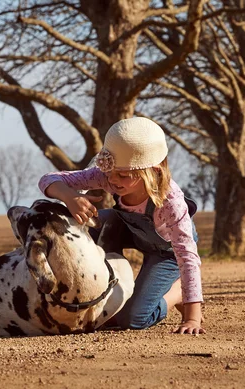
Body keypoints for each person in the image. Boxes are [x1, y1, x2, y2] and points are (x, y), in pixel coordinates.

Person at [38, 117, 205, 335]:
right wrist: (69, 196)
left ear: (153, 171)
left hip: (167, 251)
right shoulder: (107, 177)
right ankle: (105, 287)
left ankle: (176, 294)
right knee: (91, 221)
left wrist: (193, 317)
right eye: (109, 171)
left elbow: (187, 257)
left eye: (123, 175)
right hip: (130, 231)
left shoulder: (171, 204)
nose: (112, 180)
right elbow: (47, 180)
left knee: (133, 319)